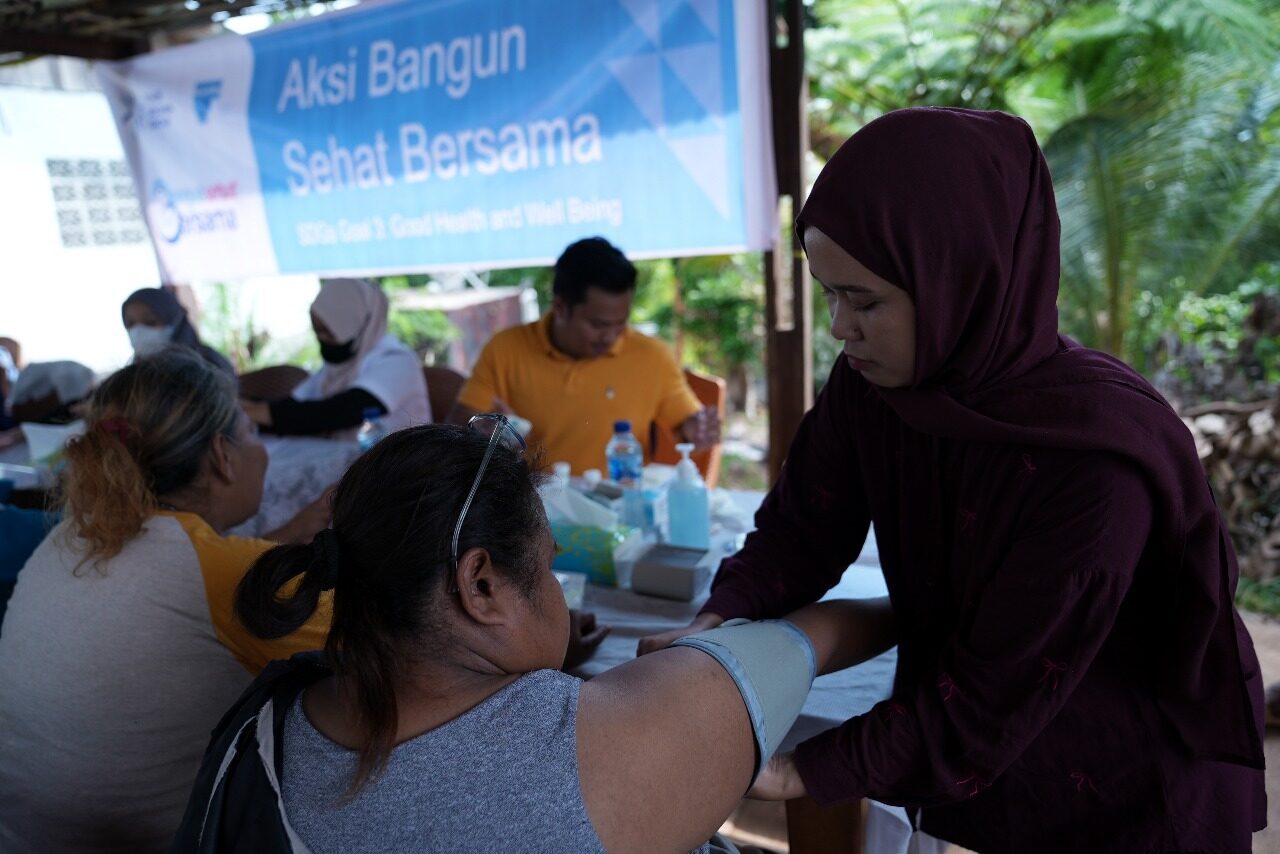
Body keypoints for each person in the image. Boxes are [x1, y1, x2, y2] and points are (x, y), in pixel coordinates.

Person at [640, 107, 1267, 852]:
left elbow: (987, 698)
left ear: (961, 281)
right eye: (829, 293)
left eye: (865, 300)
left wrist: (793, 771)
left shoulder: (1096, 460)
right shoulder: (874, 388)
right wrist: (718, 619)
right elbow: (804, 527)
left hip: (1122, 777)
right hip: (989, 749)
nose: (841, 327)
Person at [174, 421, 894, 853]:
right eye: (549, 567)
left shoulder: (273, 724)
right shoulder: (595, 753)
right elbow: (817, 636)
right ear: (480, 584)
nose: (554, 588)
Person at [0, 349, 334, 853]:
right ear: (222, 456)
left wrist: (285, 541)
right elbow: (393, 636)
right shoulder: (222, 574)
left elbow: (185, 583)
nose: (260, 448)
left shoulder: (69, 538)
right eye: (250, 431)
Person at [449, 237, 719, 473]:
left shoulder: (652, 356)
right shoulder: (505, 349)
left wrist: (698, 433)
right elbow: (459, 430)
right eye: (599, 325)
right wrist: (487, 432)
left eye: (620, 323)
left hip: (620, 509)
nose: (611, 336)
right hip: (530, 510)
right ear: (561, 307)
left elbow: (691, 431)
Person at [241, 278, 431, 435]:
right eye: (317, 331)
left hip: (403, 467)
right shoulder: (339, 368)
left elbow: (342, 411)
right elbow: (296, 404)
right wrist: (246, 407)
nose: (321, 339)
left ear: (351, 323)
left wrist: (259, 412)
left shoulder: (397, 361)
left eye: (328, 331)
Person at [122, 286, 235, 375]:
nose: (138, 331)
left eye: (150, 322)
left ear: (175, 322)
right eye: (131, 324)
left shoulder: (209, 365)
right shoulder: (133, 376)